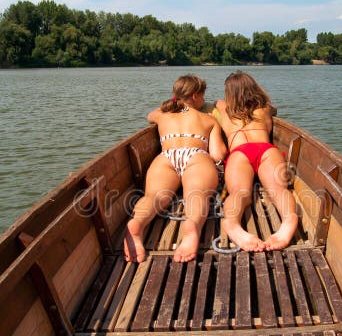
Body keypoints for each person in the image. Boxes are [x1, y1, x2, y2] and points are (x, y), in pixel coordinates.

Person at [124, 74, 226, 263]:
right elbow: (218, 154)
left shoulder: (162, 115)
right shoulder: (208, 119)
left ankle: (137, 222)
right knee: (197, 195)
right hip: (196, 156)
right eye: (202, 96)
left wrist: (172, 103)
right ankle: (192, 227)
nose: (204, 100)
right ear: (195, 95)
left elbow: (150, 116)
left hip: (166, 157)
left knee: (154, 197)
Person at [215, 71, 297, 251]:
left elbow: (214, 103)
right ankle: (289, 219)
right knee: (278, 190)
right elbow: (273, 107)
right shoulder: (265, 108)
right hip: (266, 150)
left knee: (239, 193)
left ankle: (232, 224)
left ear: (229, 93)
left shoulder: (224, 108)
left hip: (240, 152)